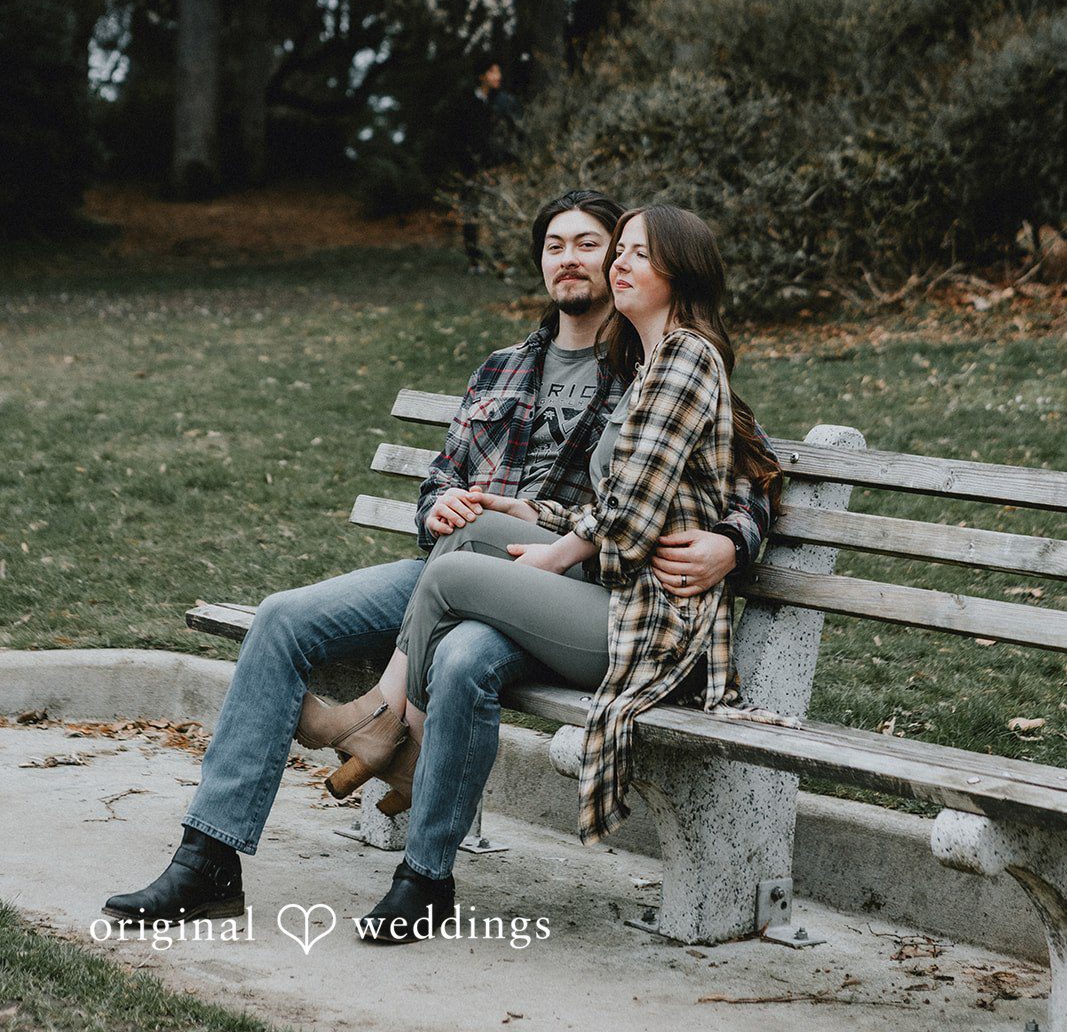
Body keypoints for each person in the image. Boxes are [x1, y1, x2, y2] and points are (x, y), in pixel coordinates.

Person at [102, 191, 771, 929]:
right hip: (477, 560)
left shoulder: (648, 358)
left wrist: (730, 543)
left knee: (462, 659)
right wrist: (445, 507)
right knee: (283, 618)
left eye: (593, 243)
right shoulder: (503, 368)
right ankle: (208, 859)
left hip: (565, 588)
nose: (575, 259)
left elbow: (740, 476)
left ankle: (408, 820)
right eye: (556, 245)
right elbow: (440, 481)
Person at [351, 205, 782, 942]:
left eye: (637, 255)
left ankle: (391, 729)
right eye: (621, 251)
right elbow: (609, 503)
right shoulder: (649, 364)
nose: (618, 263)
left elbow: (631, 518)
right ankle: (395, 756)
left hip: (650, 626)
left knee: (450, 579)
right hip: (609, 602)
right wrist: (518, 515)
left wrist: (555, 553)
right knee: (472, 533)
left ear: (678, 270)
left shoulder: (686, 360)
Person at [459, 59, 521, 273]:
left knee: (502, 213)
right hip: (472, 168)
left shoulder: (506, 102)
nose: (498, 76)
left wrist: (503, 165)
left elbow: (512, 136)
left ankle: (502, 259)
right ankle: (475, 260)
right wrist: (475, 167)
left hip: (500, 167)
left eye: (498, 71)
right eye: (492, 71)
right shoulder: (467, 102)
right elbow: (462, 138)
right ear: (481, 75)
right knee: (471, 213)